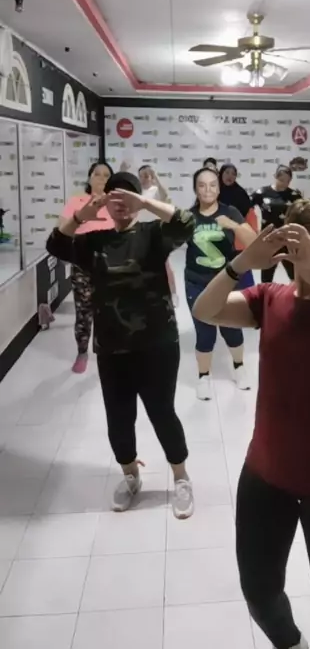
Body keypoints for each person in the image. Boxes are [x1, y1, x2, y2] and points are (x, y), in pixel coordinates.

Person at [193, 199, 310, 649]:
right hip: (266, 474)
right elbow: (205, 310)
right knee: (259, 591)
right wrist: (242, 263)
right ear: (290, 252)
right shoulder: (268, 299)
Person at [46, 171, 195, 517]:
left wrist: (145, 202)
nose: (121, 204)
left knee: (162, 412)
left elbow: (185, 222)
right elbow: (56, 245)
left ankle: (181, 477)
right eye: (115, 198)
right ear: (106, 204)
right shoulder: (94, 241)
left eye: (128, 197)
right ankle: (130, 476)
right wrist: (82, 214)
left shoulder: (153, 234)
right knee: (119, 417)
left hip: (157, 343)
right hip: (112, 348)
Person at [185, 166, 256, 400]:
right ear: (196, 189)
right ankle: (203, 376)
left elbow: (253, 242)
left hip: (227, 282)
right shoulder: (188, 216)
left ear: (219, 188)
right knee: (204, 333)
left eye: (212, 185)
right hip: (197, 283)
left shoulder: (231, 211)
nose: (208, 190)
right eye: (202, 185)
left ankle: (239, 367)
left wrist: (233, 225)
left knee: (231, 329)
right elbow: (169, 242)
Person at [59, 161, 114, 373]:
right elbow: (62, 229)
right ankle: (82, 351)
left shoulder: (115, 203)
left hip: (111, 267)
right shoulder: (77, 201)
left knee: (110, 312)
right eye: (97, 174)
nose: (101, 178)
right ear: (89, 178)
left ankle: (109, 353)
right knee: (83, 312)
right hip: (82, 265)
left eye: (106, 175)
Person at [251, 165, 302, 283]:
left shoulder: (294, 195)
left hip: (287, 239)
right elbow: (246, 207)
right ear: (275, 177)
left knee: (294, 273)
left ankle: (295, 293)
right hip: (268, 238)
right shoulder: (262, 192)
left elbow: (302, 214)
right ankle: (265, 294)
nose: (284, 183)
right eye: (282, 180)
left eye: (288, 181)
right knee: (266, 274)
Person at [138, 164, 178, 305]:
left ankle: (172, 293)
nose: (144, 178)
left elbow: (165, 196)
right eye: (141, 176)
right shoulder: (137, 192)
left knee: (164, 263)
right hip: (140, 230)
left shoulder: (155, 190)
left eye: (147, 175)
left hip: (156, 230)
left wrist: (156, 178)